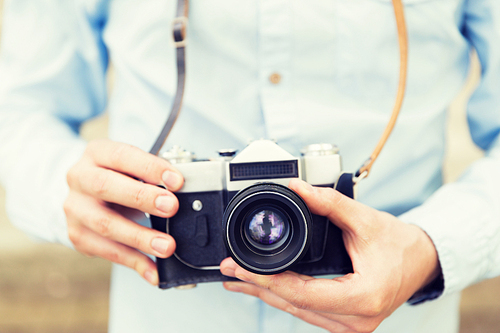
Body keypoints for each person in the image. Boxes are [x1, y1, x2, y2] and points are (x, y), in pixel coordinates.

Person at [0, 1, 499, 332]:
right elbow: (20, 105)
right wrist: (63, 184)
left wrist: (430, 247)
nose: (264, 222)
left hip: (399, 318)